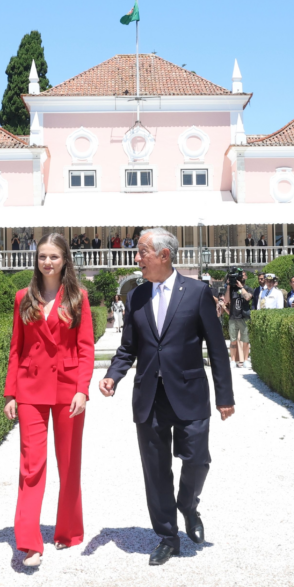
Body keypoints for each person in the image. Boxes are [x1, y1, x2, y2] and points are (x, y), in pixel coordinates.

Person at [100, 228, 234, 567]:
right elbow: (129, 346)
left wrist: (224, 396)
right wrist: (112, 375)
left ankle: (188, 505)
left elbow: (217, 349)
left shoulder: (198, 292)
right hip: (149, 396)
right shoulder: (136, 296)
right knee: (155, 470)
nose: (137, 258)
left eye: (142, 251)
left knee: (197, 458)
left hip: (190, 393)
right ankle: (167, 537)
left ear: (164, 255)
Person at [4, 233, 94, 568]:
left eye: (54, 256)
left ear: (65, 260)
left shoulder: (79, 297)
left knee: (69, 463)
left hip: (69, 390)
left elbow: (86, 349)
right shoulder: (22, 298)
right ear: (36, 260)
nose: (48, 262)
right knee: (32, 465)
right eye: (43, 256)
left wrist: (83, 390)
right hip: (30, 391)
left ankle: (68, 531)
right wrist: (10, 393)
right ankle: (29, 541)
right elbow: (17, 348)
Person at [222, 269, 253, 369]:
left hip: (244, 317)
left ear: (246, 277)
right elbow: (226, 301)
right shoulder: (232, 289)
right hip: (233, 317)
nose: (241, 277)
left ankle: (245, 360)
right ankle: (232, 360)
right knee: (233, 340)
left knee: (245, 340)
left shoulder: (248, 288)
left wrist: (241, 287)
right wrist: (228, 287)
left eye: (243, 275)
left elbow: (247, 297)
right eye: (240, 276)